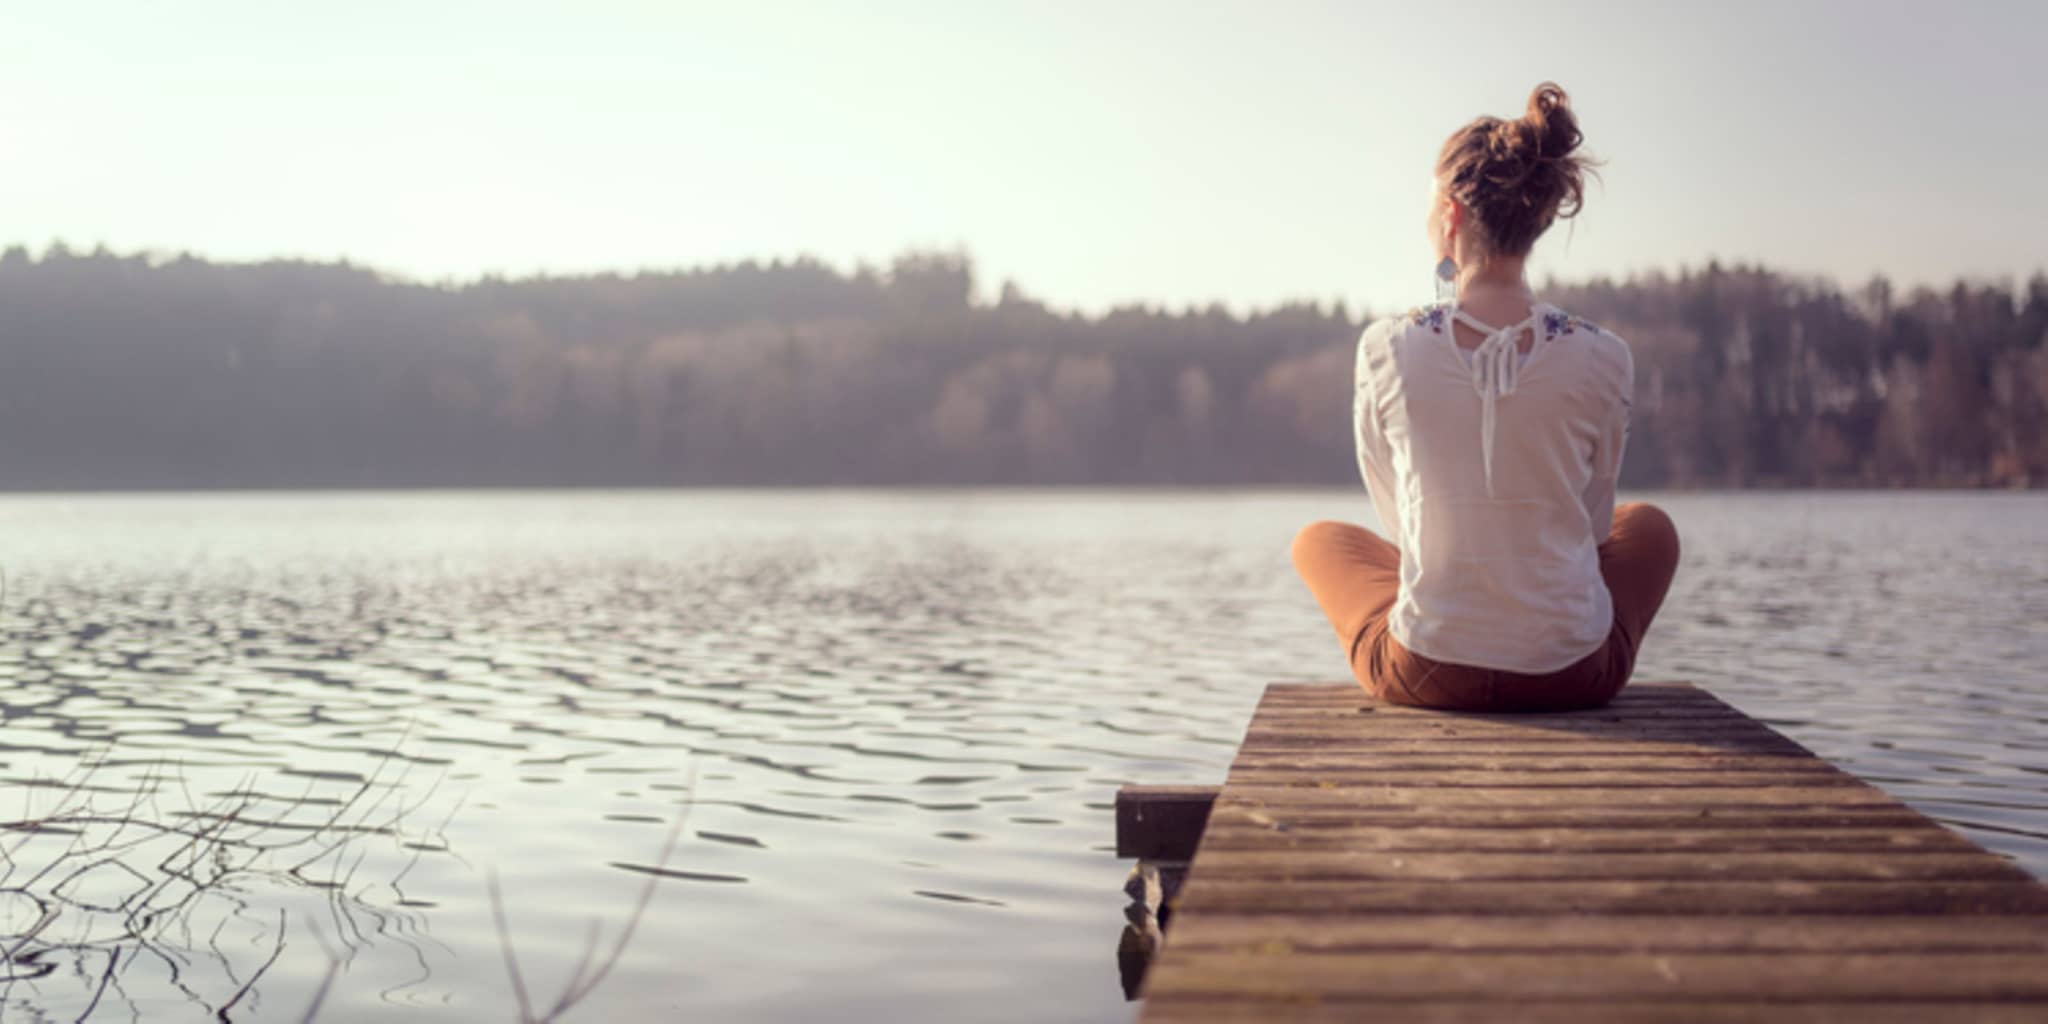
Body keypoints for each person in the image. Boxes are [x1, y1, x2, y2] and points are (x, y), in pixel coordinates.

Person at [1291, 82, 1679, 712]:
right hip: (1573, 674)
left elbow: (1397, 518)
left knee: (1317, 540)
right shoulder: (1606, 355)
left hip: (1427, 669)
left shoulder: (1385, 347)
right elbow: (1594, 520)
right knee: (1649, 529)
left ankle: (1457, 610)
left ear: (1451, 215)